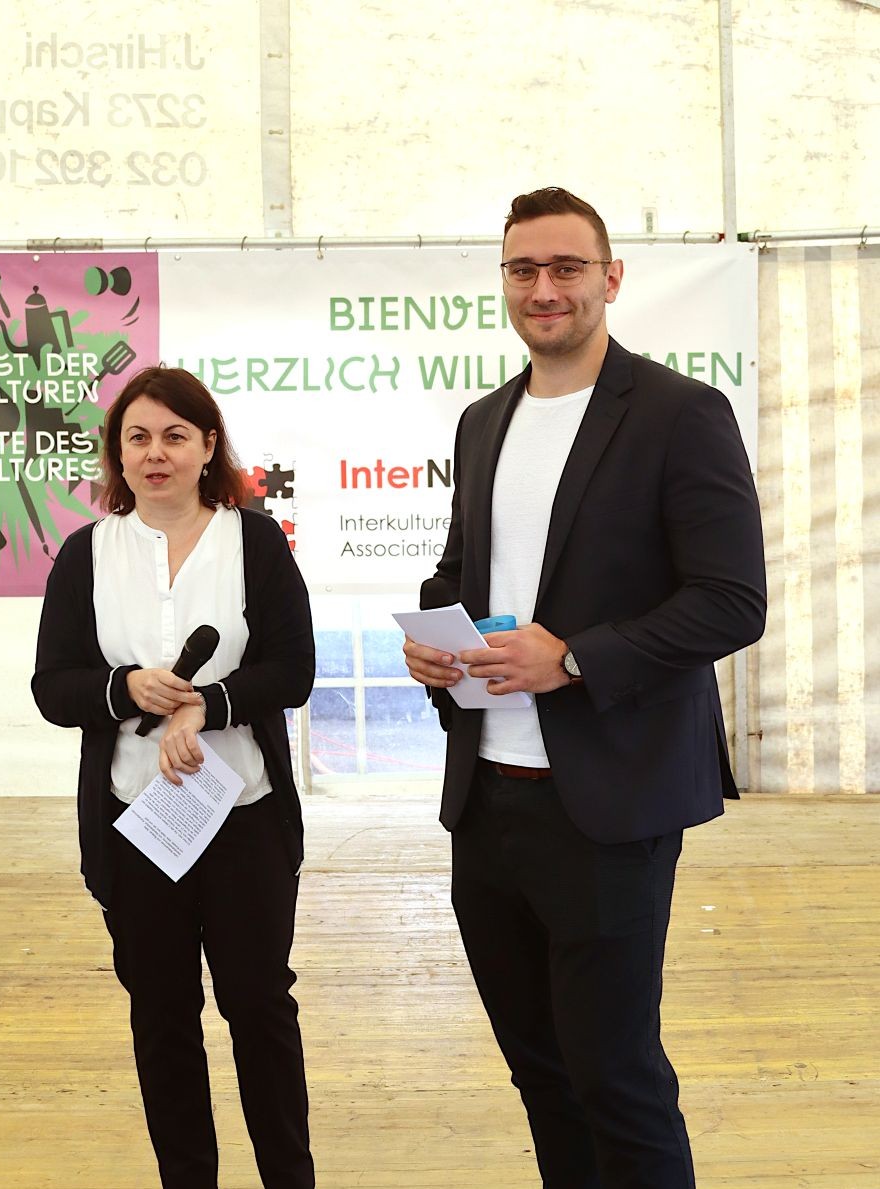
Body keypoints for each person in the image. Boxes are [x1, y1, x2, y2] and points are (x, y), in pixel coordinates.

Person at [403, 187, 766, 1189]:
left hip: (610, 804)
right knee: (542, 1076)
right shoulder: (483, 421)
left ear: (611, 278)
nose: (544, 288)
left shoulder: (680, 414)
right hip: (486, 800)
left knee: (617, 1079)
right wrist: (432, 641)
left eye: (567, 268)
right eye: (523, 269)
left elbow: (731, 601)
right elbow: (459, 573)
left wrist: (570, 657)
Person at [32, 365, 315, 1189]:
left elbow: (294, 669)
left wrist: (208, 704)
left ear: (208, 446)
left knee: (259, 1007)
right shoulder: (86, 554)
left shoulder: (254, 540)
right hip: (136, 822)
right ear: (117, 453)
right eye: (138, 437)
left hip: (246, 816)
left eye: (174, 436)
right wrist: (124, 688)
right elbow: (53, 687)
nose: (156, 453)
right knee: (161, 1017)